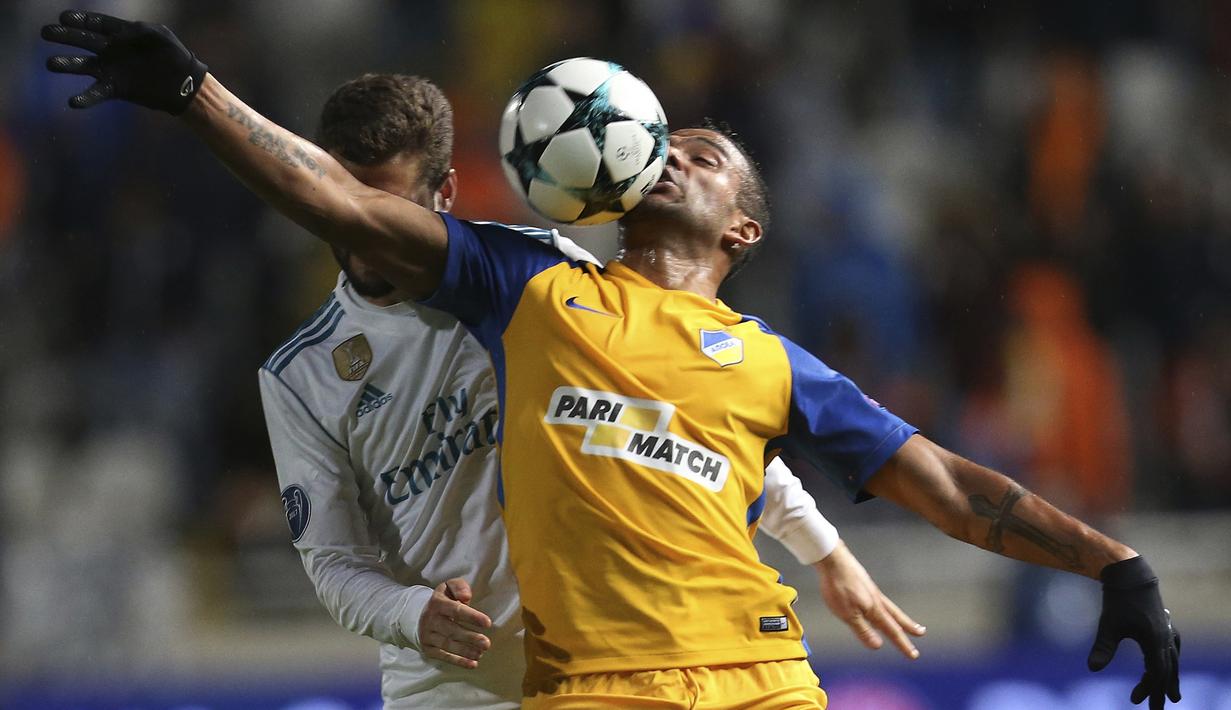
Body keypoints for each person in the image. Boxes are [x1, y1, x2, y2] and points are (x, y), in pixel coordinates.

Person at [43, 11, 1181, 710]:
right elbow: (340, 205)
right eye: (668, 141)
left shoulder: (771, 363)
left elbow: (948, 486)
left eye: (707, 154)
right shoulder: (531, 286)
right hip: (587, 687)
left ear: (744, 228)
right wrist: (192, 92)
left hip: (765, 676)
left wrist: (1115, 563)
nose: (676, 152)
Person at [259, 73, 924, 708]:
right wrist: (409, 613)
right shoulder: (301, 374)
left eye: (386, 206)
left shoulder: (535, 277)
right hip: (450, 688)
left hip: (607, 669)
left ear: (447, 192)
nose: (363, 230)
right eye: (344, 207)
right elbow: (334, 562)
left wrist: (823, 547)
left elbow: (685, 425)